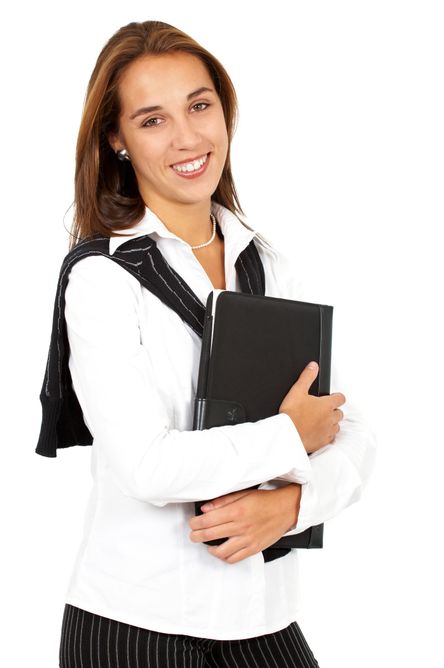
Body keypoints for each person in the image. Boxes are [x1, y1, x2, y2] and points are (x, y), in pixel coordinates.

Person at [54, 19, 376, 668]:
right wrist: (288, 438)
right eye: (152, 120)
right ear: (116, 139)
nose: (188, 137)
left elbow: (355, 433)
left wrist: (291, 505)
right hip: (134, 627)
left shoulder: (271, 264)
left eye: (199, 105)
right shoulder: (103, 279)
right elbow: (146, 466)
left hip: (263, 618)